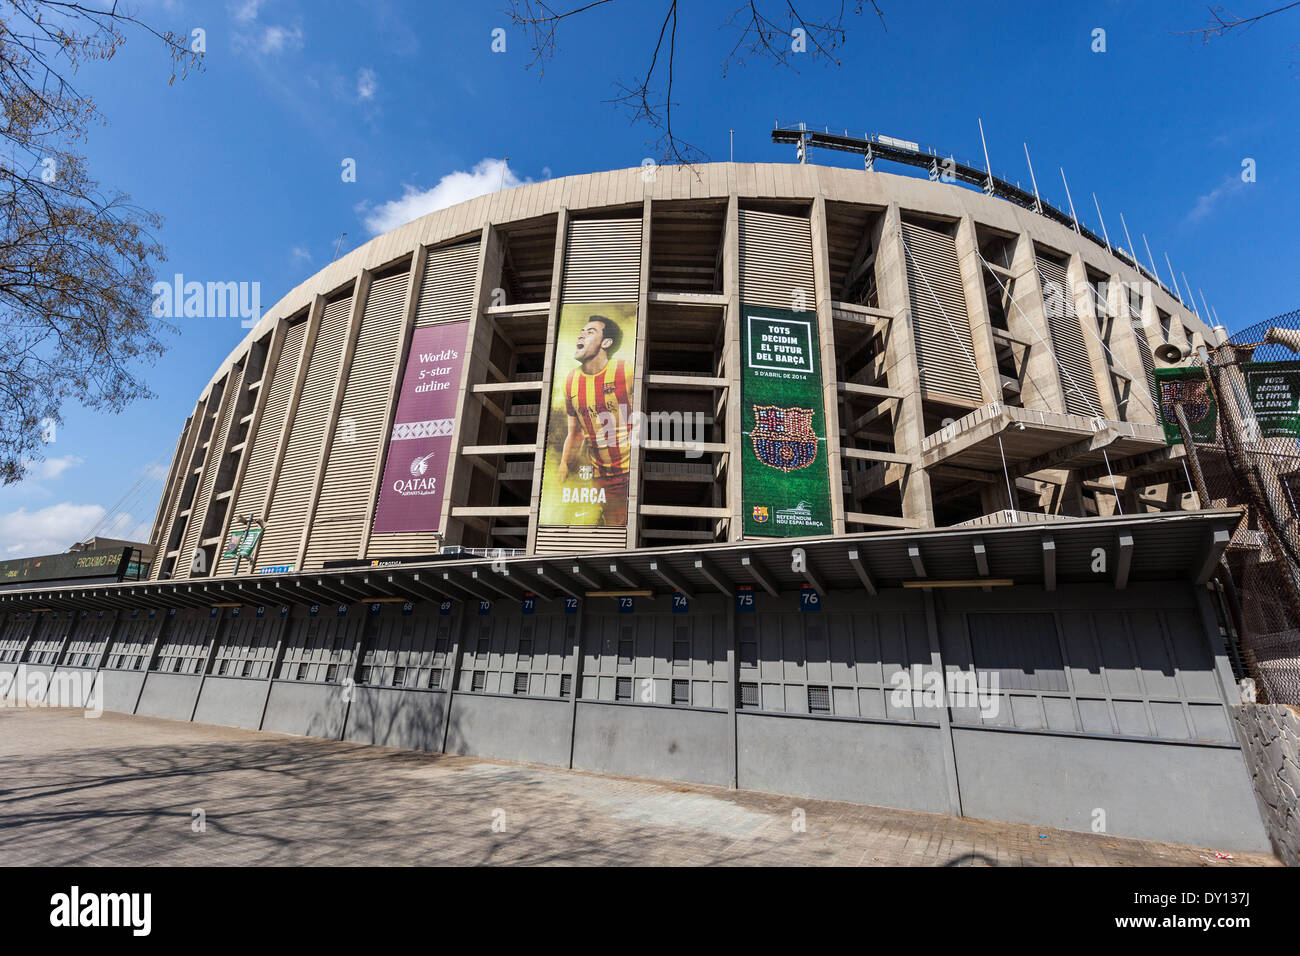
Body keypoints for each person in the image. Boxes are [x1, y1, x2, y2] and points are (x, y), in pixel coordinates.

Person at [555, 314, 633, 525]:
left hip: (630, 470)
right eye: (582, 330)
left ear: (606, 343)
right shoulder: (571, 381)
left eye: (591, 332)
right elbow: (576, 432)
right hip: (600, 475)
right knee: (607, 528)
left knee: (623, 529)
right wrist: (564, 463)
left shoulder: (626, 371)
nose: (582, 334)